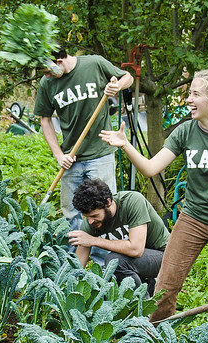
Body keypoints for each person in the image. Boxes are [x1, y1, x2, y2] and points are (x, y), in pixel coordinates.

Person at [100, 69, 208, 334]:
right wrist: (125, 145)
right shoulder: (186, 131)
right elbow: (150, 168)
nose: (189, 99)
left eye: (195, 94)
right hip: (192, 219)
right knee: (165, 285)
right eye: (189, 93)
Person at [33, 47, 133, 236]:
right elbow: (45, 119)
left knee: (104, 210)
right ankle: (75, 262)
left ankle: (103, 262)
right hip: (71, 158)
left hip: (100, 154)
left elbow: (127, 77)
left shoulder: (94, 63)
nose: (46, 76)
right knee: (72, 215)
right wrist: (58, 155)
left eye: (48, 70)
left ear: (59, 61)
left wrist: (117, 86)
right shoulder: (47, 84)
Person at [69, 178, 169, 295]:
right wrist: (67, 291)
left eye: (94, 216)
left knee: (114, 261)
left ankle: (142, 304)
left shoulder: (132, 201)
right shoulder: (92, 221)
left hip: (166, 258)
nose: (90, 221)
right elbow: (78, 265)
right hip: (137, 263)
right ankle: (148, 289)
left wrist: (94, 241)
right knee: (104, 277)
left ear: (108, 202)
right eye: (86, 217)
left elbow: (136, 249)